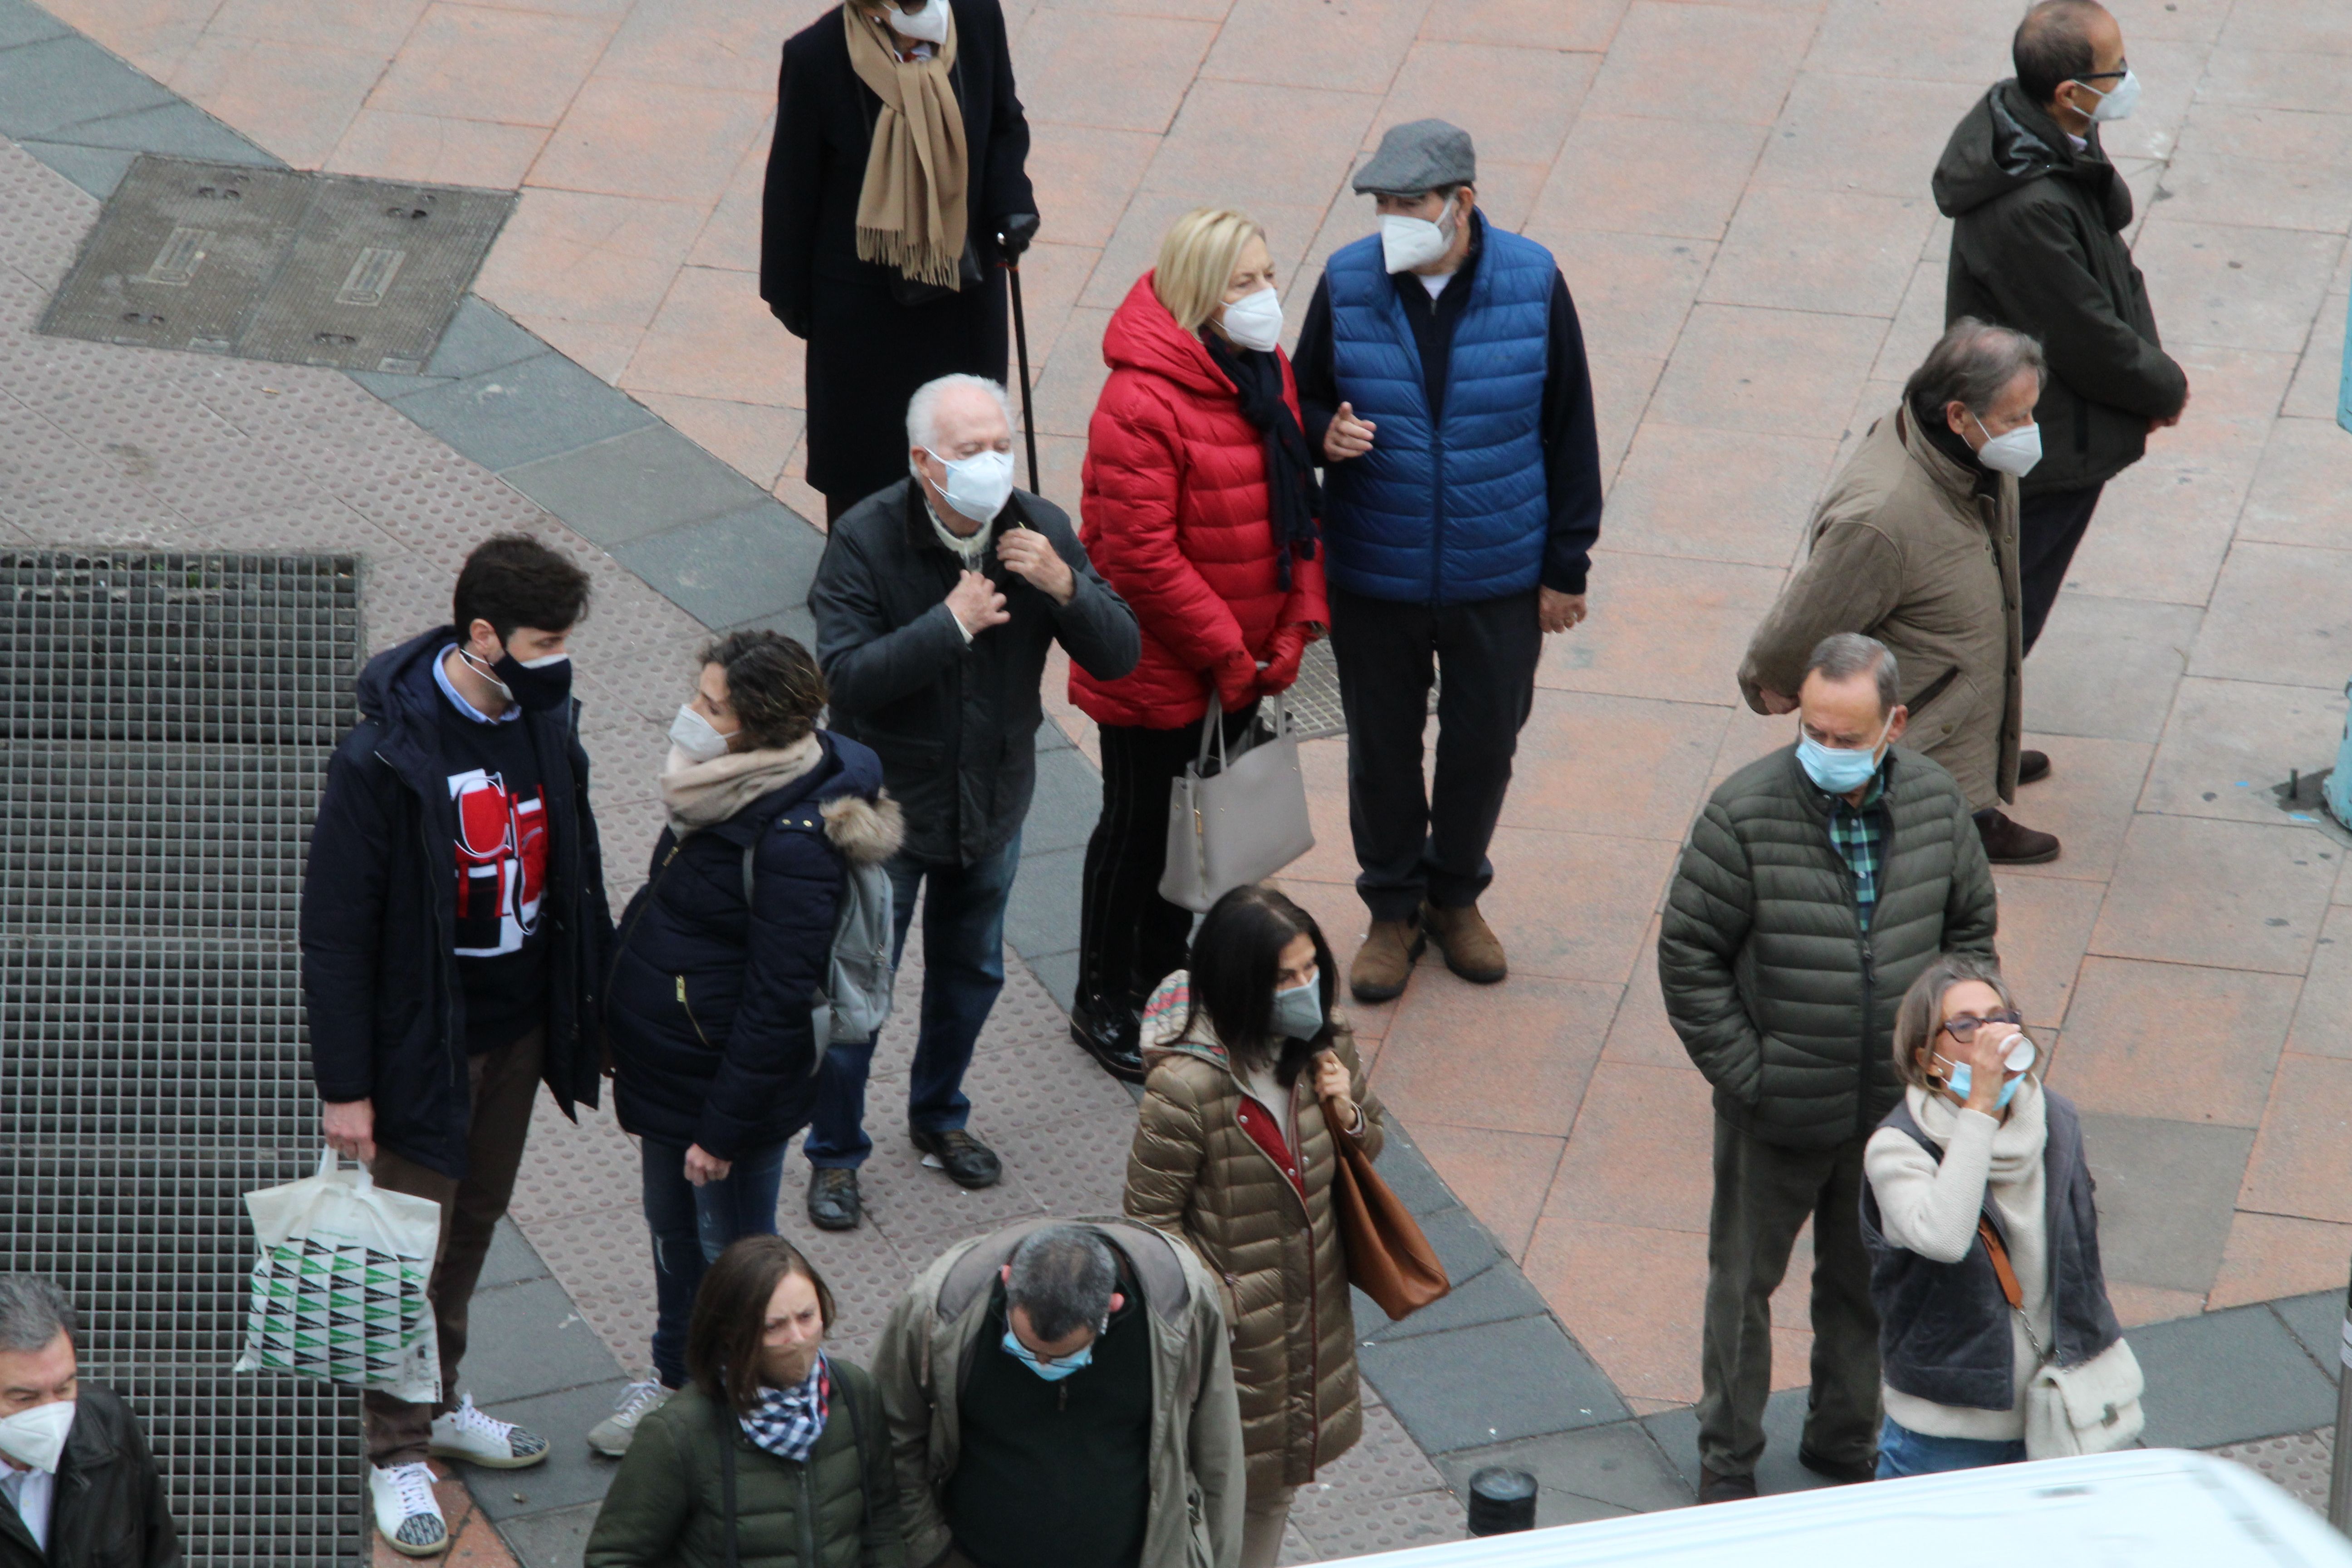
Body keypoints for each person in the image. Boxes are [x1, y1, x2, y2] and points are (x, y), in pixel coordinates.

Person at [301, 534, 613, 1556]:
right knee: (401, 1252)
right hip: (422, 1050)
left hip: (516, 1031)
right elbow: (338, 933)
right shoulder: (385, 757)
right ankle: (394, 1451)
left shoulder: (542, 721)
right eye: (543, 640)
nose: (559, 660)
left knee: (470, 1230)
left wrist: (585, 1013)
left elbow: (578, 876)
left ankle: (435, 1400)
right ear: (483, 636)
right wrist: (346, 1089)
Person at [1658, 632, 1997, 1504]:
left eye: (1847, 738)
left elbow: (1969, 938)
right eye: (1812, 730)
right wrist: (1751, 1074)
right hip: (1771, 1107)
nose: (1825, 754)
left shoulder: (1933, 804)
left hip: (1888, 1110)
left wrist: (1933, 1062)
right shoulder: (1742, 813)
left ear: (1895, 723)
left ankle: (1844, 1443)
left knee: (1863, 1284)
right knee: (1741, 1287)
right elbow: (1688, 955)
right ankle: (1724, 1460)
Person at [804, 375, 1140, 1229]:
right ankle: (834, 1153)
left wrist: (1067, 587)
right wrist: (946, 623)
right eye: (968, 451)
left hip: (991, 803)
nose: (992, 465)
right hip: (887, 813)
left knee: (971, 975)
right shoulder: (864, 538)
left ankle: (939, 1117)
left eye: (1001, 445)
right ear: (924, 464)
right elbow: (842, 678)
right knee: (859, 988)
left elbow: (1120, 655)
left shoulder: (1037, 528)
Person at [1291, 118, 1602, 1002]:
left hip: (1497, 574)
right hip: (1376, 572)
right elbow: (1301, 394)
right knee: (1382, 754)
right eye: (1383, 203)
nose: (1392, 219)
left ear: (1462, 204)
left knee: (1483, 746)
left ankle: (1455, 894)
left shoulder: (1533, 282)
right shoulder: (1350, 282)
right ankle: (1392, 908)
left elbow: (1570, 428)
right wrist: (1325, 430)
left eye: (1410, 203)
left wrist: (1565, 566)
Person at [591, 632, 902, 1458]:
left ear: (757, 725)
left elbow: (776, 1001)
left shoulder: (793, 838)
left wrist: (723, 1129)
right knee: (670, 1230)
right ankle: (672, 1382)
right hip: (672, 1068)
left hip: (728, 1095)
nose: (693, 715)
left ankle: (751, 1406)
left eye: (712, 704)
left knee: (735, 1255)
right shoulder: (722, 789)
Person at [1067, 208, 1329, 1081]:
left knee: (1196, 835)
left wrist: (1294, 627)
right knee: (1140, 832)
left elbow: (1297, 507)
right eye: (1242, 282)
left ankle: (1166, 977)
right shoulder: (1138, 400)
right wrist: (1228, 654)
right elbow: (1139, 556)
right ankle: (1105, 998)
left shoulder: (1263, 371)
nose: (1264, 297)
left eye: (1266, 274)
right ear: (1196, 294)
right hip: (1158, 664)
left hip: (1242, 663)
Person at [1124, 886, 1385, 1567]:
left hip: (1311, 1317)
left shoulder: (1328, 1046)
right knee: (1215, 1502)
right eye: (1284, 977)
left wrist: (1347, 1111)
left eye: (1310, 970)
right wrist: (1227, 1299)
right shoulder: (1186, 1088)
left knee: (1274, 1491)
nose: (1304, 990)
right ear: (1240, 984)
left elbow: (1370, 1141)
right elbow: (1150, 1226)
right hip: (1234, 1338)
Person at [1739, 320, 2060, 866]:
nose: (2029, 431)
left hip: (1959, 690)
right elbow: (1801, 624)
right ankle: (1971, 814)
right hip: (1932, 714)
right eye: (2014, 418)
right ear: (1959, 416)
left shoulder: (1965, 451)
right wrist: (1770, 681)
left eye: (2030, 412)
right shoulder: (1883, 517)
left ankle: (1987, 760)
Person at [1933, 0, 2188, 659]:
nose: (2128, 78)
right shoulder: (2028, 205)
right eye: (2117, 68)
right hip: (2047, 438)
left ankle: (1982, 743)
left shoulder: (2052, 135)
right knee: (2009, 609)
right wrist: (2160, 390)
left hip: (2067, 421)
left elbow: (2110, 249)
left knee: (2015, 601)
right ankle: (1964, 750)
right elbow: (2082, 333)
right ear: (2070, 92)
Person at [762, 0, 1040, 521]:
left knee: (965, 442)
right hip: (864, 306)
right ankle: (862, 583)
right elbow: (792, 185)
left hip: (965, 288)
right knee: (866, 462)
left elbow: (1005, 120)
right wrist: (790, 294)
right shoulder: (817, 55)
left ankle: (965, 563)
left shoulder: (976, 17)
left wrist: (1013, 202)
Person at [1861, 954, 2127, 1480]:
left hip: (2053, 1417)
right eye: (1965, 1026)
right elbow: (1945, 1238)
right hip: (1943, 1436)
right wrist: (1980, 1108)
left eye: (1999, 1018)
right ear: (1927, 1056)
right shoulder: (1898, 1148)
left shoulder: (2055, 1120)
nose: (1991, 1037)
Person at [869, 1220, 1244, 1568]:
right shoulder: (941, 1310)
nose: (1042, 1364)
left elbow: (1218, 1452)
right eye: (1025, 1347)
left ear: (1112, 1308)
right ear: (1007, 1279)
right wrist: (928, 1547)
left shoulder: (1178, 1311)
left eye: (1064, 1356)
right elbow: (891, 1433)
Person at [584, 1237, 904, 1567]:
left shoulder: (856, 1394)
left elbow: (882, 1520)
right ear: (730, 1334)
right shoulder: (678, 1434)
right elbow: (614, 1557)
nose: (797, 1338)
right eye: (773, 1326)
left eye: (807, 1316)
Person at [0, 1278, 179, 1568]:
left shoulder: (108, 1428)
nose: (51, 1414)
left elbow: (160, 1556)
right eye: (24, 1399)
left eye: (64, 1389)